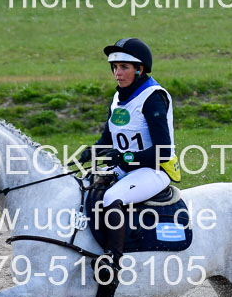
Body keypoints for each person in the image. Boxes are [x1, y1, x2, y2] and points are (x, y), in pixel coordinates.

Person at [78, 37, 182, 268]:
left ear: (139, 69)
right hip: (125, 168)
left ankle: (113, 260)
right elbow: (107, 140)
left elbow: (163, 151)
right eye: (115, 67)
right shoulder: (118, 98)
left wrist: (125, 157)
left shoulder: (152, 98)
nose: (117, 73)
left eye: (124, 67)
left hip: (154, 170)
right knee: (84, 188)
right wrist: (92, 151)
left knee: (111, 198)